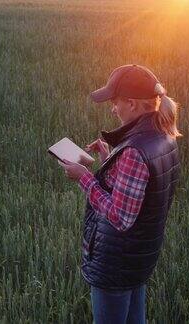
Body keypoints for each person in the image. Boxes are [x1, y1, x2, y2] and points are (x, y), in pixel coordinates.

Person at [60, 64, 182, 324]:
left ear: (133, 104)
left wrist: (84, 177)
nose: (112, 109)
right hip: (139, 256)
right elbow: (143, 194)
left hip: (116, 261)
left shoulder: (135, 150)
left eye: (115, 102)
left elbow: (120, 217)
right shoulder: (164, 137)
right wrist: (108, 158)